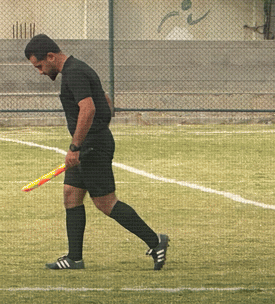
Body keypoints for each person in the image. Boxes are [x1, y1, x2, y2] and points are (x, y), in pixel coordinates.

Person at [25, 34, 169, 271]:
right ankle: (74, 258)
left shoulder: (74, 72)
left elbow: (89, 108)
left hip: (90, 147)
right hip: (90, 142)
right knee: (71, 194)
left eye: (40, 66)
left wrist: (76, 146)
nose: (40, 72)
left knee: (105, 202)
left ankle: (156, 242)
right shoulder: (77, 68)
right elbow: (105, 99)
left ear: (51, 56)